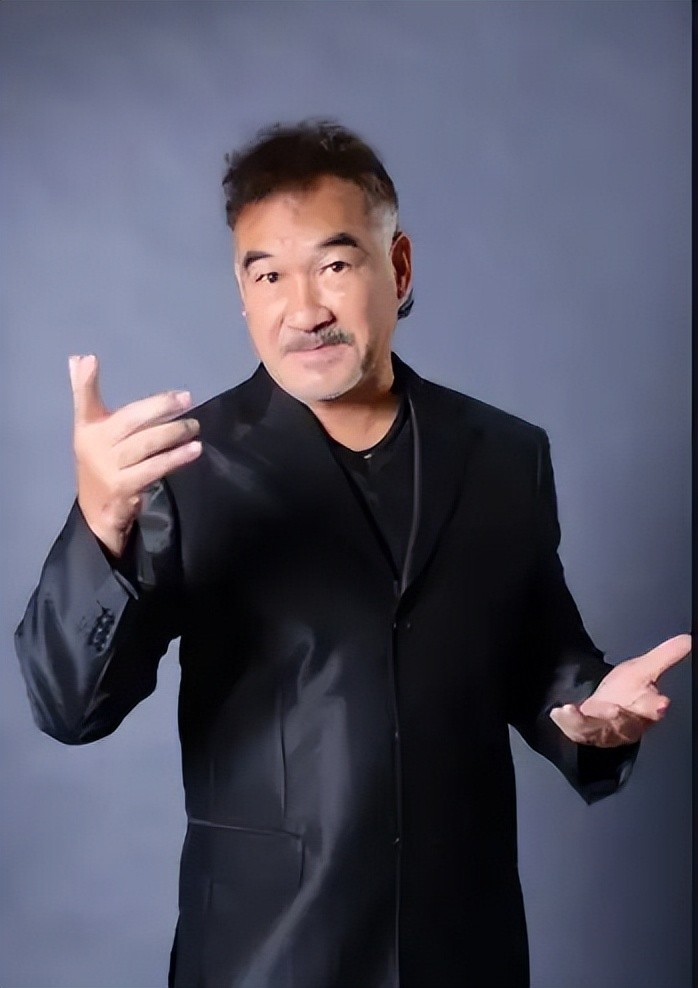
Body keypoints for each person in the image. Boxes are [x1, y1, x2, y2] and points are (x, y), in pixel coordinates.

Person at [15, 120, 690, 988]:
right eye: (269, 275)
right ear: (243, 293)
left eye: (334, 265)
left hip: (465, 950)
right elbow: (68, 707)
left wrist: (592, 712)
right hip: (265, 955)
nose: (304, 310)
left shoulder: (504, 455)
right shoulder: (185, 468)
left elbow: (540, 659)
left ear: (397, 267)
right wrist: (100, 522)